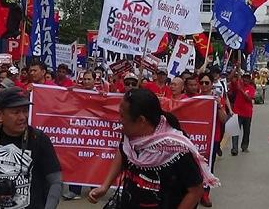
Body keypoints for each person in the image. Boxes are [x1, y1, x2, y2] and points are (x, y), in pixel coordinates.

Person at [88, 89, 218, 208]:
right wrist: (105, 186)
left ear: (141, 120)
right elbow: (122, 152)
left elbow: (195, 191)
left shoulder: (177, 150)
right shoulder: (130, 136)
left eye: (122, 116)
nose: (119, 121)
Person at [0, 87, 62, 209]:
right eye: (16, 112)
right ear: (0, 115)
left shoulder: (39, 139)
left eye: (25, 111)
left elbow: (56, 181)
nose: (22, 117)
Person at [197, 73, 228, 207]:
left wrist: (219, 106)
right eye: (202, 82)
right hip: (195, 138)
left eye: (207, 83)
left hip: (211, 139)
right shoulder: (193, 98)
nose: (204, 85)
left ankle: (205, 194)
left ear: (211, 84)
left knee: (208, 167)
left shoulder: (217, 99)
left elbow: (223, 119)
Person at [229, 71, 256, 156]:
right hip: (237, 112)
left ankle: (244, 146)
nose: (246, 79)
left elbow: (249, 99)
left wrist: (241, 90)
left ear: (250, 79)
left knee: (246, 131)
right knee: (235, 131)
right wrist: (236, 68)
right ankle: (234, 149)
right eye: (245, 77)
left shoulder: (251, 88)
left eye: (248, 78)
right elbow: (230, 79)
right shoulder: (238, 85)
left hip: (247, 113)